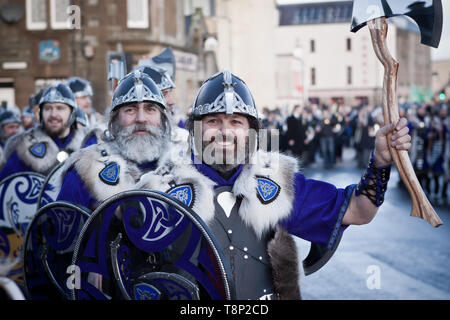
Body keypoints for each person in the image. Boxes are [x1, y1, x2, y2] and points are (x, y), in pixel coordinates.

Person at [136, 70, 412, 300]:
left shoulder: (276, 183)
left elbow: (360, 210)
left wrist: (380, 161)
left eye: (236, 122)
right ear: (195, 128)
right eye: (212, 121)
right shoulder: (163, 187)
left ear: (251, 132)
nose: (224, 131)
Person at [56, 70, 172, 210]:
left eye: (150, 109)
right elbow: (65, 228)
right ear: (115, 120)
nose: (141, 118)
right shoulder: (86, 169)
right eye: (130, 110)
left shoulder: (180, 167)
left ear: (162, 119)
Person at [0, 82, 96, 181]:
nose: (53, 114)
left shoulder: (90, 142)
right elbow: (6, 188)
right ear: (41, 113)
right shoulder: (22, 146)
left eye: (60, 108)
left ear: (72, 113)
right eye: (48, 108)